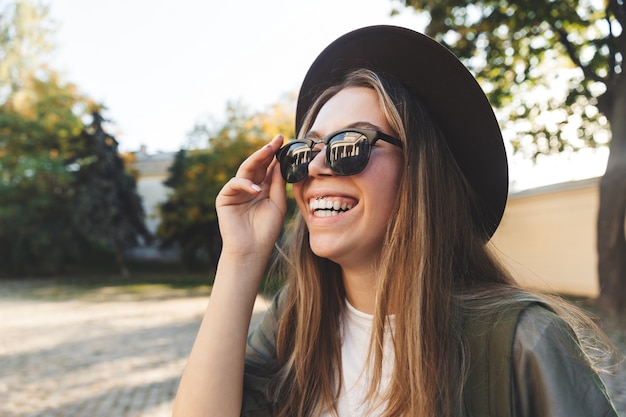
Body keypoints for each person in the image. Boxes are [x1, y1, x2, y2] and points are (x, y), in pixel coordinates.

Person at [172, 26, 619, 417]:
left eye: (350, 145)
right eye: (304, 151)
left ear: (422, 172)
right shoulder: (294, 321)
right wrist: (242, 256)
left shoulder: (524, 342)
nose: (316, 168)